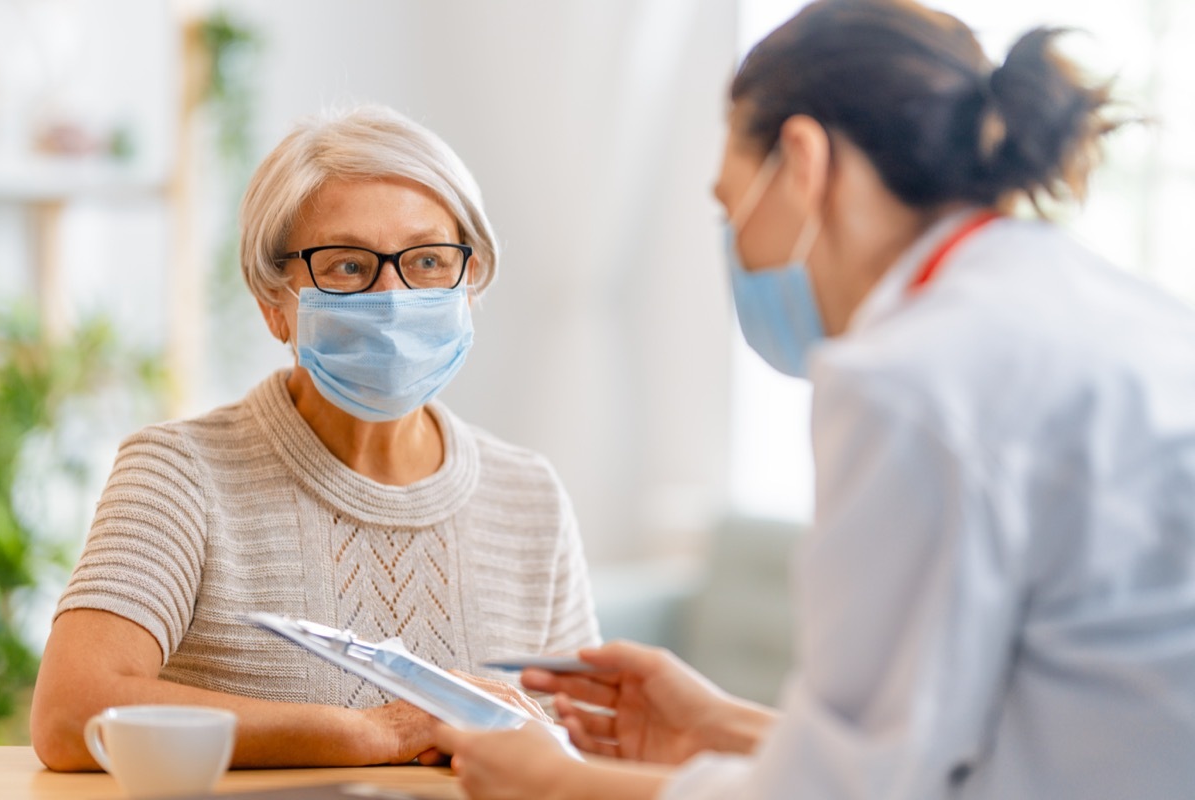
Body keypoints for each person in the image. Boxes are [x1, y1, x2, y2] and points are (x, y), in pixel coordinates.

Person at [434, 1, 1195, 797]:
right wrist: (721, 727)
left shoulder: (909, 379)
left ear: (802, 159)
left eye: (732, 209)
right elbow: (963, 738)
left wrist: (554, 783)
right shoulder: (1103, 308)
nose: (740, 253)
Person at [30, 104, 600, 770]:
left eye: (426, 260)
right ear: (274, 302)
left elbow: (579, 750)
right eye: (348, 267)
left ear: (469, 281)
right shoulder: (180, 474)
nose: (392, 297)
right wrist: (372, 732)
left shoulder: (529, 493)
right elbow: (73, 713)